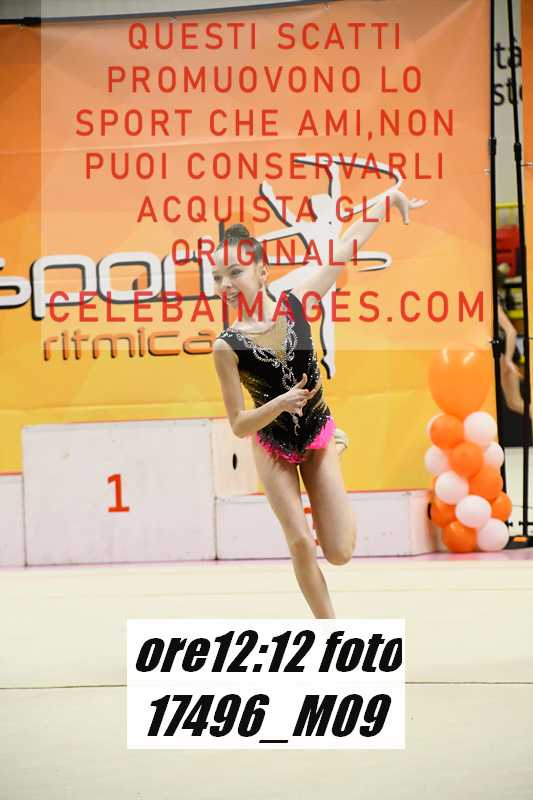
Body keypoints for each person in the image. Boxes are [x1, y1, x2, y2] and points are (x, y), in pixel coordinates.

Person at [212, 189, 427, 618]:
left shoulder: (299, 302)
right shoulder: (226, 346)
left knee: (340, 552)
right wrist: (279, 403)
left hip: (317, 432)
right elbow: (238, 424)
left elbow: (346, 247)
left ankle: (336, 450)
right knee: (300, 542)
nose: (225, 285)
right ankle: (330, 632)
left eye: (235, 272)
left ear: (262, 270)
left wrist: (389, 200)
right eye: (217, 277)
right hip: (272, 444)